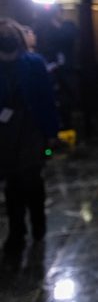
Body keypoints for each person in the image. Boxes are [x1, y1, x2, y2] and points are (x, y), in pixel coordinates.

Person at [0, 18, 58, 254]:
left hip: (31, 127)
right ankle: (17, 231)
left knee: (32, 178)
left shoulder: (34, 63)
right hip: (5, 132)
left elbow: (46, 98)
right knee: (12, 182)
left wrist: (51, 132)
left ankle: (38, 221)